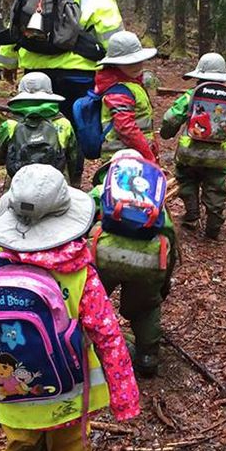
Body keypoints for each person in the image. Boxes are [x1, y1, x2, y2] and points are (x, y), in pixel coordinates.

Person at [0, 164, 139, 451]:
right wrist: (124, 397)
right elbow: (107, 334)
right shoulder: (78, 271)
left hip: (12, 396)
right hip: (68, 396)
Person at [0, 0, 124, 185]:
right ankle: (72, 183)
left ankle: (27, 179)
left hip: (35, 70)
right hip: (79, 72)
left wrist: (8, 63)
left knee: (33, 124)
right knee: (72, 129)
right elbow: (113, 37)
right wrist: (121, 69)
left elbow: (15, 25)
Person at [89, 149, 178, 377]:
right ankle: (147, 358)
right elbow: (169, 236)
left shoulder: (101, 190)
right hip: (149, 258)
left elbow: (80, 221)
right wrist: (163, 284)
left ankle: (87, 350)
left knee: (92, 301)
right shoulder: (153, 199)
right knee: (145, 308)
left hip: (104, 253)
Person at [160, 52, 226, 239]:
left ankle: (192, 216)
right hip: (218, 158)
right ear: (224, 79)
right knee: (216, 190)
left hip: (189, 154)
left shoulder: (190, 97)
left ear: (198, 77)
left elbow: (171, 119)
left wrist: (166, 133)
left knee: (187, 181)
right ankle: (213, 228)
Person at [0, 72, 80, 185]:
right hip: (56, 183)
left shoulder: (10, 125)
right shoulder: (63, 124)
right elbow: (72, 158)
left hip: (19, 183)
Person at [95, 31, 158, 163]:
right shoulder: (118, 92)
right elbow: (126, 128)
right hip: (123, 158)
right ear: (114, 64)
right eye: (129, 63)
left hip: (137, 154)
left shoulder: (132, 83)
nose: (136, 66)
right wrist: (148, 156)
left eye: (138, 60)